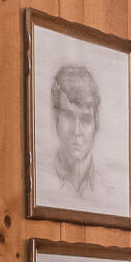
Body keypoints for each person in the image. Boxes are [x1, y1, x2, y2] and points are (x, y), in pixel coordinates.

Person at [50, 63, 102, 199]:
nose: (77, 131)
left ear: (96, 124)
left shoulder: (112, 193)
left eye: (85, 120)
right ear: (56, 119)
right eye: (68, 116)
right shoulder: (41, 182)